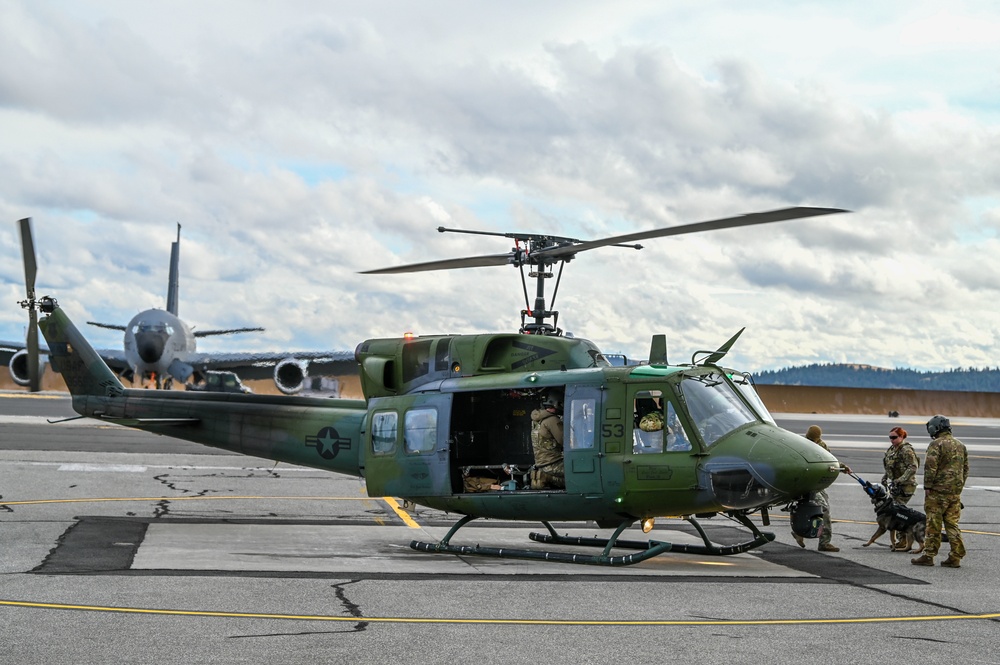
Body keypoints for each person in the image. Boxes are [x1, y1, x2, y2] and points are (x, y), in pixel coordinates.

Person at [912, 415, 969, 568]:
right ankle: (955, 557)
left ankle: (929, 556)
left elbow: (930, 467)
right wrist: (958, 487)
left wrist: (928, 487)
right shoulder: (960, 445)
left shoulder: (935, 444)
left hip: (937, 492)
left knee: (933, 524)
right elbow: (965, 469)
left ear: (934, 428)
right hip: (954, 493)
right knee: (952, 524)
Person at [792, 425, 849, 552]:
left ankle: (799, 533)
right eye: (812, 439)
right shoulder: (801, 445)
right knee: (824, 510)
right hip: (806, 484)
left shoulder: (821, 445)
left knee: (816, 509)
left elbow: (830, 460)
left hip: (816, 484)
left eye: (815, 440)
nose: (814, 442)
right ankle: (824, 542)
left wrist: (843, 467)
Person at [882, 426, 919, 549]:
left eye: (894, 437)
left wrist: (901, 479)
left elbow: (912, 467)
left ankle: (904, 540)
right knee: (895, 511)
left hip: (906, 486)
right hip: (896, 485)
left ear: (902, 437)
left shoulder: (906, 450)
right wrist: (885, 477)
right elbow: (890, 466)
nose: (891, 440)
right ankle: (902, 539)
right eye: (890, 437)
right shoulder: (892, 450)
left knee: (898, 512)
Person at [531, 389, 565, 489]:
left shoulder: (537, 420)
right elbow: (565, 441)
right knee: (579, 473)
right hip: (555, 463)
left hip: (541, 463)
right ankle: (546, 477)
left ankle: (541, 476)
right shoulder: (553, 420)